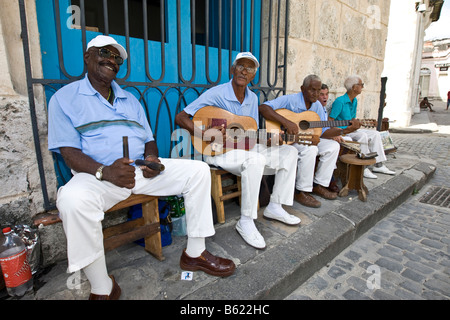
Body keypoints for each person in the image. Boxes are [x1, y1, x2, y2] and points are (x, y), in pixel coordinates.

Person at [47, 35, 235, 300]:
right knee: (71, 200)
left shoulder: (129, 100)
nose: (111, 60)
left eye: (117, 58)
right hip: (97, 176)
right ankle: (103, 288)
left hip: (138, 170)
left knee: (199, 171)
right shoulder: (64, 99)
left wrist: (152, 160)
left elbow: (149, 139)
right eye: (105, 53)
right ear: (88, 56)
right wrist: (106, 171)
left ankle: (194, 254)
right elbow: (68, 153)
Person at [175, 52, 299, 250]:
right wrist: (204, 134)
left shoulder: (252, 98)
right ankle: (246, 221)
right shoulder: (216, 93)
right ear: (232, 70)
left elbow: (248, 133)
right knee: (255, 160)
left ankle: (275, 206)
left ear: (253, 75)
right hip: (218, 151)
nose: (244, 71)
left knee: (288, 153)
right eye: (240, 66)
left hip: (245, 148)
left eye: (249, 68)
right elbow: (181, 117)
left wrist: (270, 140)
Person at [259, 75, 351, 208]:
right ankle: (300, 191)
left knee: (333, 146)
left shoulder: (318, 106)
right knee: (310, 149)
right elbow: (263, 108)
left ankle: (318, 185)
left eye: (318, 90)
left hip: (306, 139)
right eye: (312, 90)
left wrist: (344, 130)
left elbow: (323, 131)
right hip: (288, 140)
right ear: (303, 89)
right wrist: (286, 122)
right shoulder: (290, 100)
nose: (316, 94)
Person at [329, 75, 395, 179]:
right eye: (361, 85)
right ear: (354, 87)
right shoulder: (340, 101)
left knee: (376, 134)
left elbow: (352, 119)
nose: (362, 87)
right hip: (341, 131)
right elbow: (330, 120)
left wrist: (356, 124)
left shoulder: (354, 101)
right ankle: (364, 167)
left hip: (350, 130)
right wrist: (336, 132)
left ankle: (379, 164)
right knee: (363, 136)